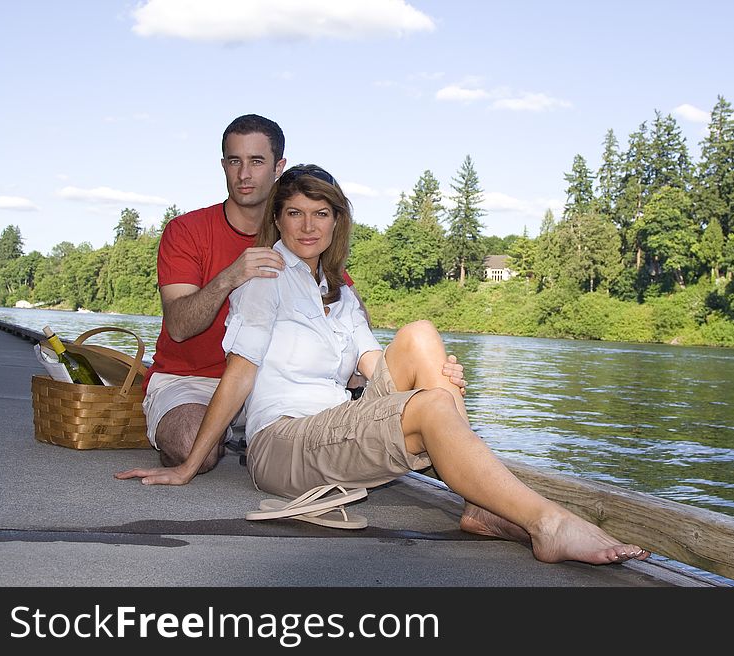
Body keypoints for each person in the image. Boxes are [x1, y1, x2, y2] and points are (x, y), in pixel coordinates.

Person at [117, 165, 650, 566]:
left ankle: (481, 506)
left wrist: (434, 376)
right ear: (277, 219)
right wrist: (189, 466)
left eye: (321, 213)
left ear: (337, 221)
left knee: (420, 337)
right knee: (432, 405)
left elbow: (375, 366)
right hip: (284, 443)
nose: (308, 226)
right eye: (295, 212)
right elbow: (238, 375)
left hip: (333, 425)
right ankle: (547, 522)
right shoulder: (264, 278)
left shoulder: (337, 291)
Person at [143, 115, 466, 474]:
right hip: (195, 382)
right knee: (194, 447)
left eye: (257, 161)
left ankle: (462, 469)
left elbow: (353, 319)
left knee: (424, 362)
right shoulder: (188, 230)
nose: (244, 174)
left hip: (273, 389)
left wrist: (420, 370)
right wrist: (230, 276)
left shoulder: (303, 238)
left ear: (279, 167)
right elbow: (179, 326)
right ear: (223, 165)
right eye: (234, 161)